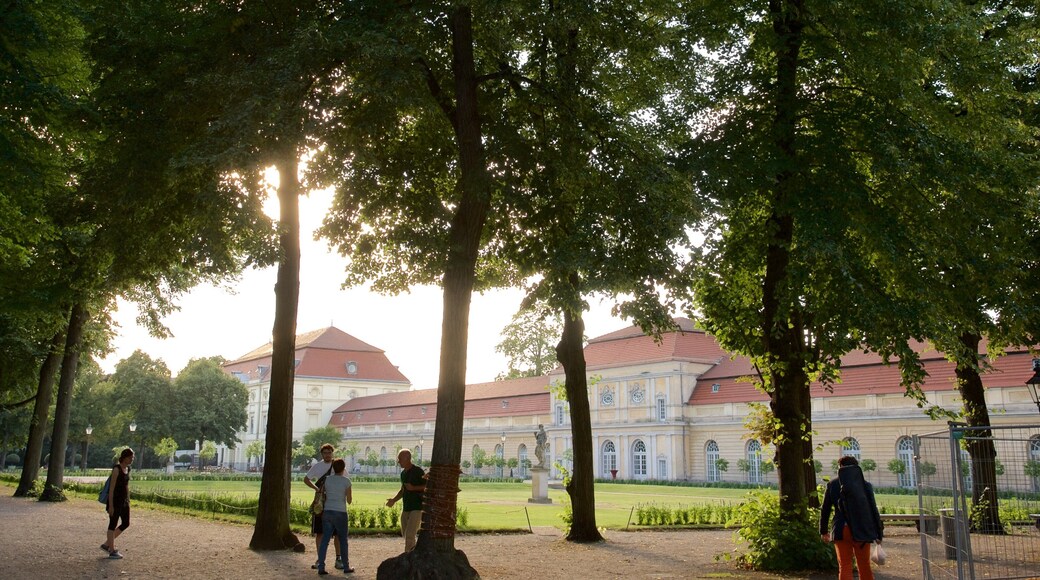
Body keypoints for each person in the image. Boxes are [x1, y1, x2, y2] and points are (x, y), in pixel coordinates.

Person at [820, 455, 884, 580]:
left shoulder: (832, 484)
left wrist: (823, 531)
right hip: (861, 529)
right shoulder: (865, 485)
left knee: (844, 565)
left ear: (840, 468)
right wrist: (879, 533)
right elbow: (873, 510)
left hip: (841, 530)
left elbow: (825, 509)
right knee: (864, 565)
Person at [305, 444, 342, 570]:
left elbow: (345, 479)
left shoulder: (337, 465)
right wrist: (317, 489)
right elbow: (306, 479)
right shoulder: (318, 466)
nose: (327, 454)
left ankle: (339, 558)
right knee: (320, 532)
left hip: (334, 501)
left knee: (337, 532)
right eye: (325, 452)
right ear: (322, 454)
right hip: (321, 502)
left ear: (332, 453)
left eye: (329, 452)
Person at [316, 458, 353, 575]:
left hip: (328, 511)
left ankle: (321, 566)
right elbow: (349, 500)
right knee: (343, 540)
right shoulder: (346, 481)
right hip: (340, 512)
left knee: (325, 540)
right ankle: (346, 566)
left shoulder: (327, 480)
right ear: (343, 468)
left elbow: (322, 493)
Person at [385, 449, 425, 552]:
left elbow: (427, 486)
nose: (398, 461)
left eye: (400, 459)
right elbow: (403, 490)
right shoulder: (403, 474)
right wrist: (394, 500)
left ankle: (408, 557)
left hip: (417, 507)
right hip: (406, 507)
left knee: (410, 535)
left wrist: (414, 488)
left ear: (407, 458)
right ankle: (414, 553)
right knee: (406, 533)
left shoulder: (418, 471)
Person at [100, 447, 134, 559]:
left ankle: (107, 544)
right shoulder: (116, 469)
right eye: (130, 457)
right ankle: (112, 549)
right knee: (113, 523)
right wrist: (111, 505)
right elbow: (111, 488)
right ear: (124, 457)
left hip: (124, 501)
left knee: (126, 523)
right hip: (115, 501)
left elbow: (126, 485)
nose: (131, 459)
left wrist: (128, 498)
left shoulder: (127, 469)